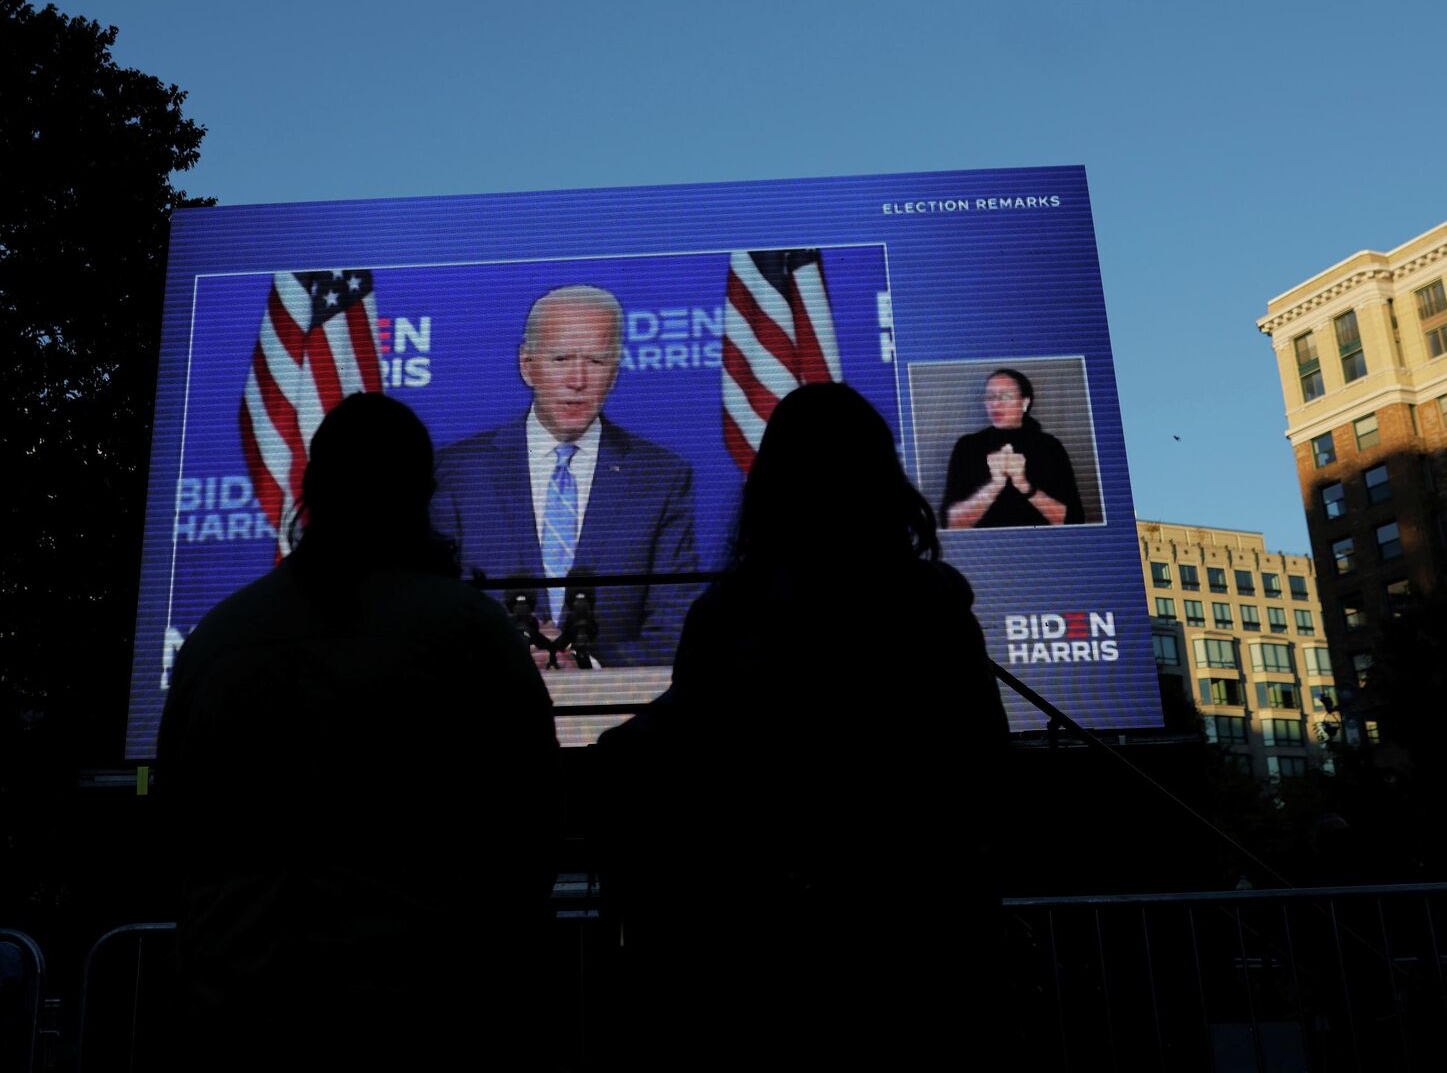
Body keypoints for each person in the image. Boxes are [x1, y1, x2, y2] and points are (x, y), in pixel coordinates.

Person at [600, 383, 1010, 1069]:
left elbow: (693, 776)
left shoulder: (728, 618)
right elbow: (985, 775)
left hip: (760, 968)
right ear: (882, 478)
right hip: (918, 960)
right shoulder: (930, 613)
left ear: (770, 481)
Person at [158, 393, 559, 1071]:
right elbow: (531, 832)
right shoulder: (469, 634)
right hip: (421, 1017)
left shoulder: (216, 642)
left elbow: (175, 829)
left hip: (237, 1018)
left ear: (312, 490)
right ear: (422, 495)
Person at [430, 284, 697, 667]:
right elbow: (434, 620)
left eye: (595, 361)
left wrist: (589, 664)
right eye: (560, 359)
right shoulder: (458, 473)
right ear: (527, 365)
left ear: (616, 369)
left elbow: (676, 628)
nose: (577, 380)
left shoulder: (661, 477)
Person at [940, 367, 1086, 529]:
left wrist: (1023, 485)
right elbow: (950, 524)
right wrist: (994, 485)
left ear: (1025, 403)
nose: (995, 403)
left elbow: (1075, 520)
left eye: (1006, 396)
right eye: (990, 397)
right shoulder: (967, 446)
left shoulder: (1050, 447)